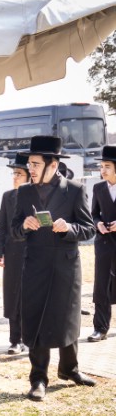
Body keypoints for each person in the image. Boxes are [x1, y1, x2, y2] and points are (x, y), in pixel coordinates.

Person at [11, 136, 97, 402]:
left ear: (53, 164)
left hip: (66, 265)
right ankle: (38, 378)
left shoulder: (75, 190)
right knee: (36, 319)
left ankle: (70, 369)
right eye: (29, 164)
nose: (31, 168)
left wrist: (69, 228)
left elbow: (89, 229)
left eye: (35, 164)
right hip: (35, 264)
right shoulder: (24, 192)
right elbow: (14, 230)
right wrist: (24, 225)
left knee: (67, 318)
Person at [0, 154, 31, 354]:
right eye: (14, 174)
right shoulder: (8, 196)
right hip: (12, 253)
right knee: (12, 296)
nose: (15, 177)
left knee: (29, 295)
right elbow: (1, 226)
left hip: (32, 252)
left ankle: (29, 338)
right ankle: (15, 340)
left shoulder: (35, 196)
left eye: (19, 174)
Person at [90, 145, 116, 342]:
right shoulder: (98, 188)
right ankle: (100, 328)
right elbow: (93, 214)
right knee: (101, 285)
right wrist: (98, 224)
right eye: (101, 166)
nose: (103, 170)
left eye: (107, 166)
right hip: (104, 243)